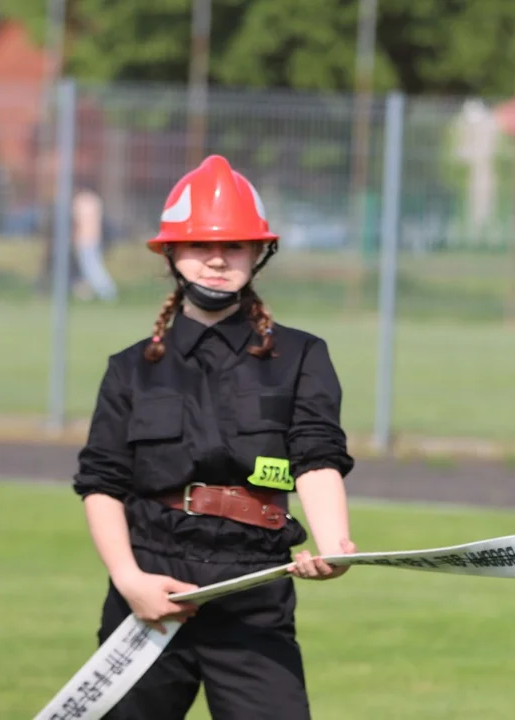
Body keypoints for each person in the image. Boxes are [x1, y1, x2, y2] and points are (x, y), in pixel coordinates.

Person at [72, 155, 357, 719]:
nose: (218, 260)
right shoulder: (129, 369)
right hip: (149, 590)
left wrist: (333, 544)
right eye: (201, 245)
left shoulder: (302, 356)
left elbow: (316, 457)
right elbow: (101, 483)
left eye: (235, 246)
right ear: (172, 254)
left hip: (254, 588)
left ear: (259, 254)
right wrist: (130, 582)